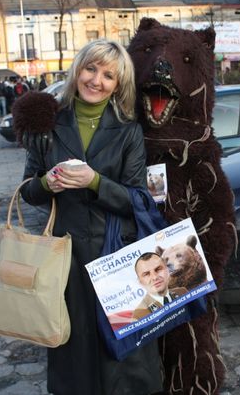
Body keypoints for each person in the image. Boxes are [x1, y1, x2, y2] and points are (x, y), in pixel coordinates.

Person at [17, 39, 163, 395]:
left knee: (124, 358)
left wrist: (95, 181)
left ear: (118, 84)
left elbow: (140, 200)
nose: (96, 80)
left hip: (116, 255)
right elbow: (27, 191)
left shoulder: (128, 130)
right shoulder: (48, 125)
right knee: (75, 349)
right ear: (77, 70)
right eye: (91, 69)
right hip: (66, 260)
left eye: (108, 75)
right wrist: (48, 183)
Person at [132, 252, 188, 320]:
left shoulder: (182, 292)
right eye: (146, 274)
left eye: (158, 269)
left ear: (167, 270)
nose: (155, 277)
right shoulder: (139, 315)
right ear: (140, 282)